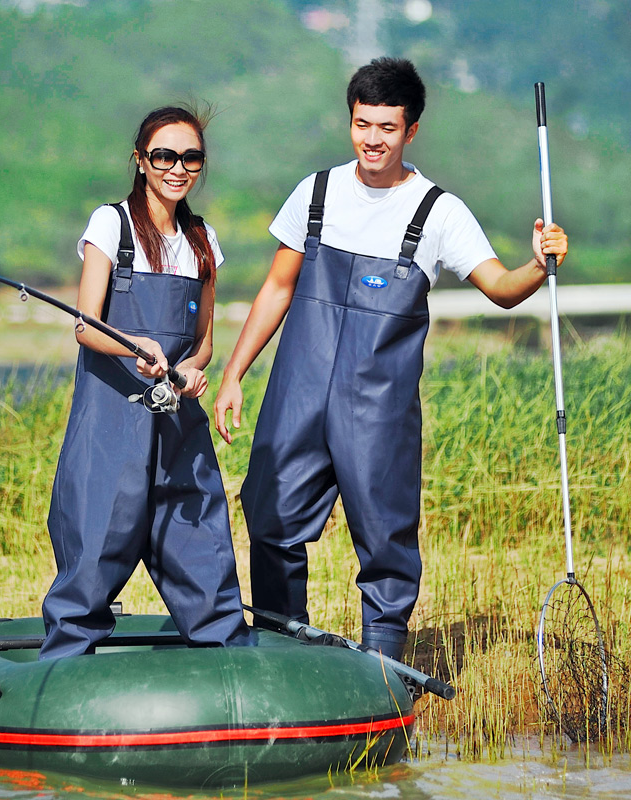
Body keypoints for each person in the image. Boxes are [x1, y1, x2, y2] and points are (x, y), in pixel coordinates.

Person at [213, 58, 568, 661]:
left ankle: (384, 673)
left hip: (377, 408)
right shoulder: (317, 192)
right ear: (349, 120)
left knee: (385, 540)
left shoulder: (439, 212)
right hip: (297, 392)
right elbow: (276, 288)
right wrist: (232, 373)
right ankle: (283, 653)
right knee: (269, 519)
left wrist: (538, 262)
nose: (371, 140)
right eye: (361, 124)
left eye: (386, 128)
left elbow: (502, 288)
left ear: (412, 131)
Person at [40, 105, 251, 660]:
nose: (177, 168)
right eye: (164, 156)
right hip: (111, 425)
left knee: (201, 546)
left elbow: (203, 341)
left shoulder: (203, 239)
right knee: (94, 551)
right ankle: (65, 667)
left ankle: (227, 661)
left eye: (191, 158)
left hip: (179, 425)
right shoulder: (111, 224)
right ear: (141, 161)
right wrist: (139, 348)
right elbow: (86, 325)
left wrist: (189, 370)